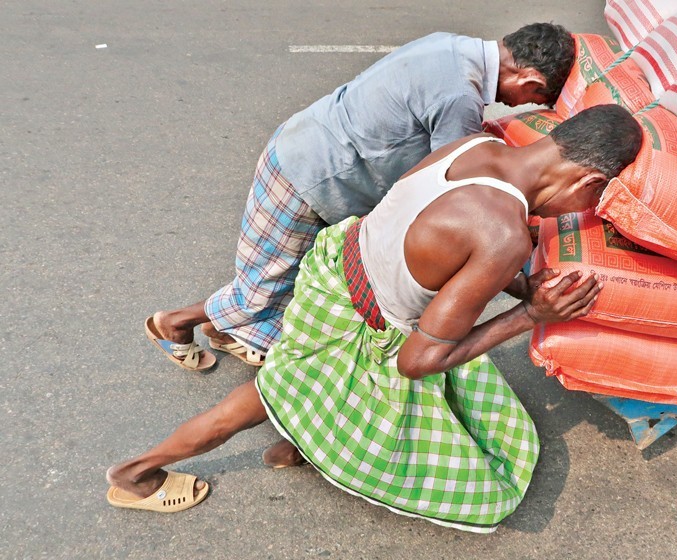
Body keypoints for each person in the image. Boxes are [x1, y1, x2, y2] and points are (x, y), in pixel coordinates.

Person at [107, 104, 643, 532]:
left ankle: (299, 442)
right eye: (595, 200)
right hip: (361, 325)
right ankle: (134, 475)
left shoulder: (475, 147)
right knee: (254, 402)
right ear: (588, 182)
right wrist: (529, 313)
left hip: (334, 274)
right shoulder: (503, 235)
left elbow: (441, 240)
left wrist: (523, 283)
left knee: (305, 385)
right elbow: (417, 361)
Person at [144, 23, 577, 371]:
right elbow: (461, 191)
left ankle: (223, 331)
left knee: (282, 276)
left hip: (309, 148)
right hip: (310, 176)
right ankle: (174, 323)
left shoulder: (452, 46)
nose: (517, 107)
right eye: (531, 99)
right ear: (530, 79)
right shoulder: (459, 97)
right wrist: (521, 282)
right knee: (262, 290)